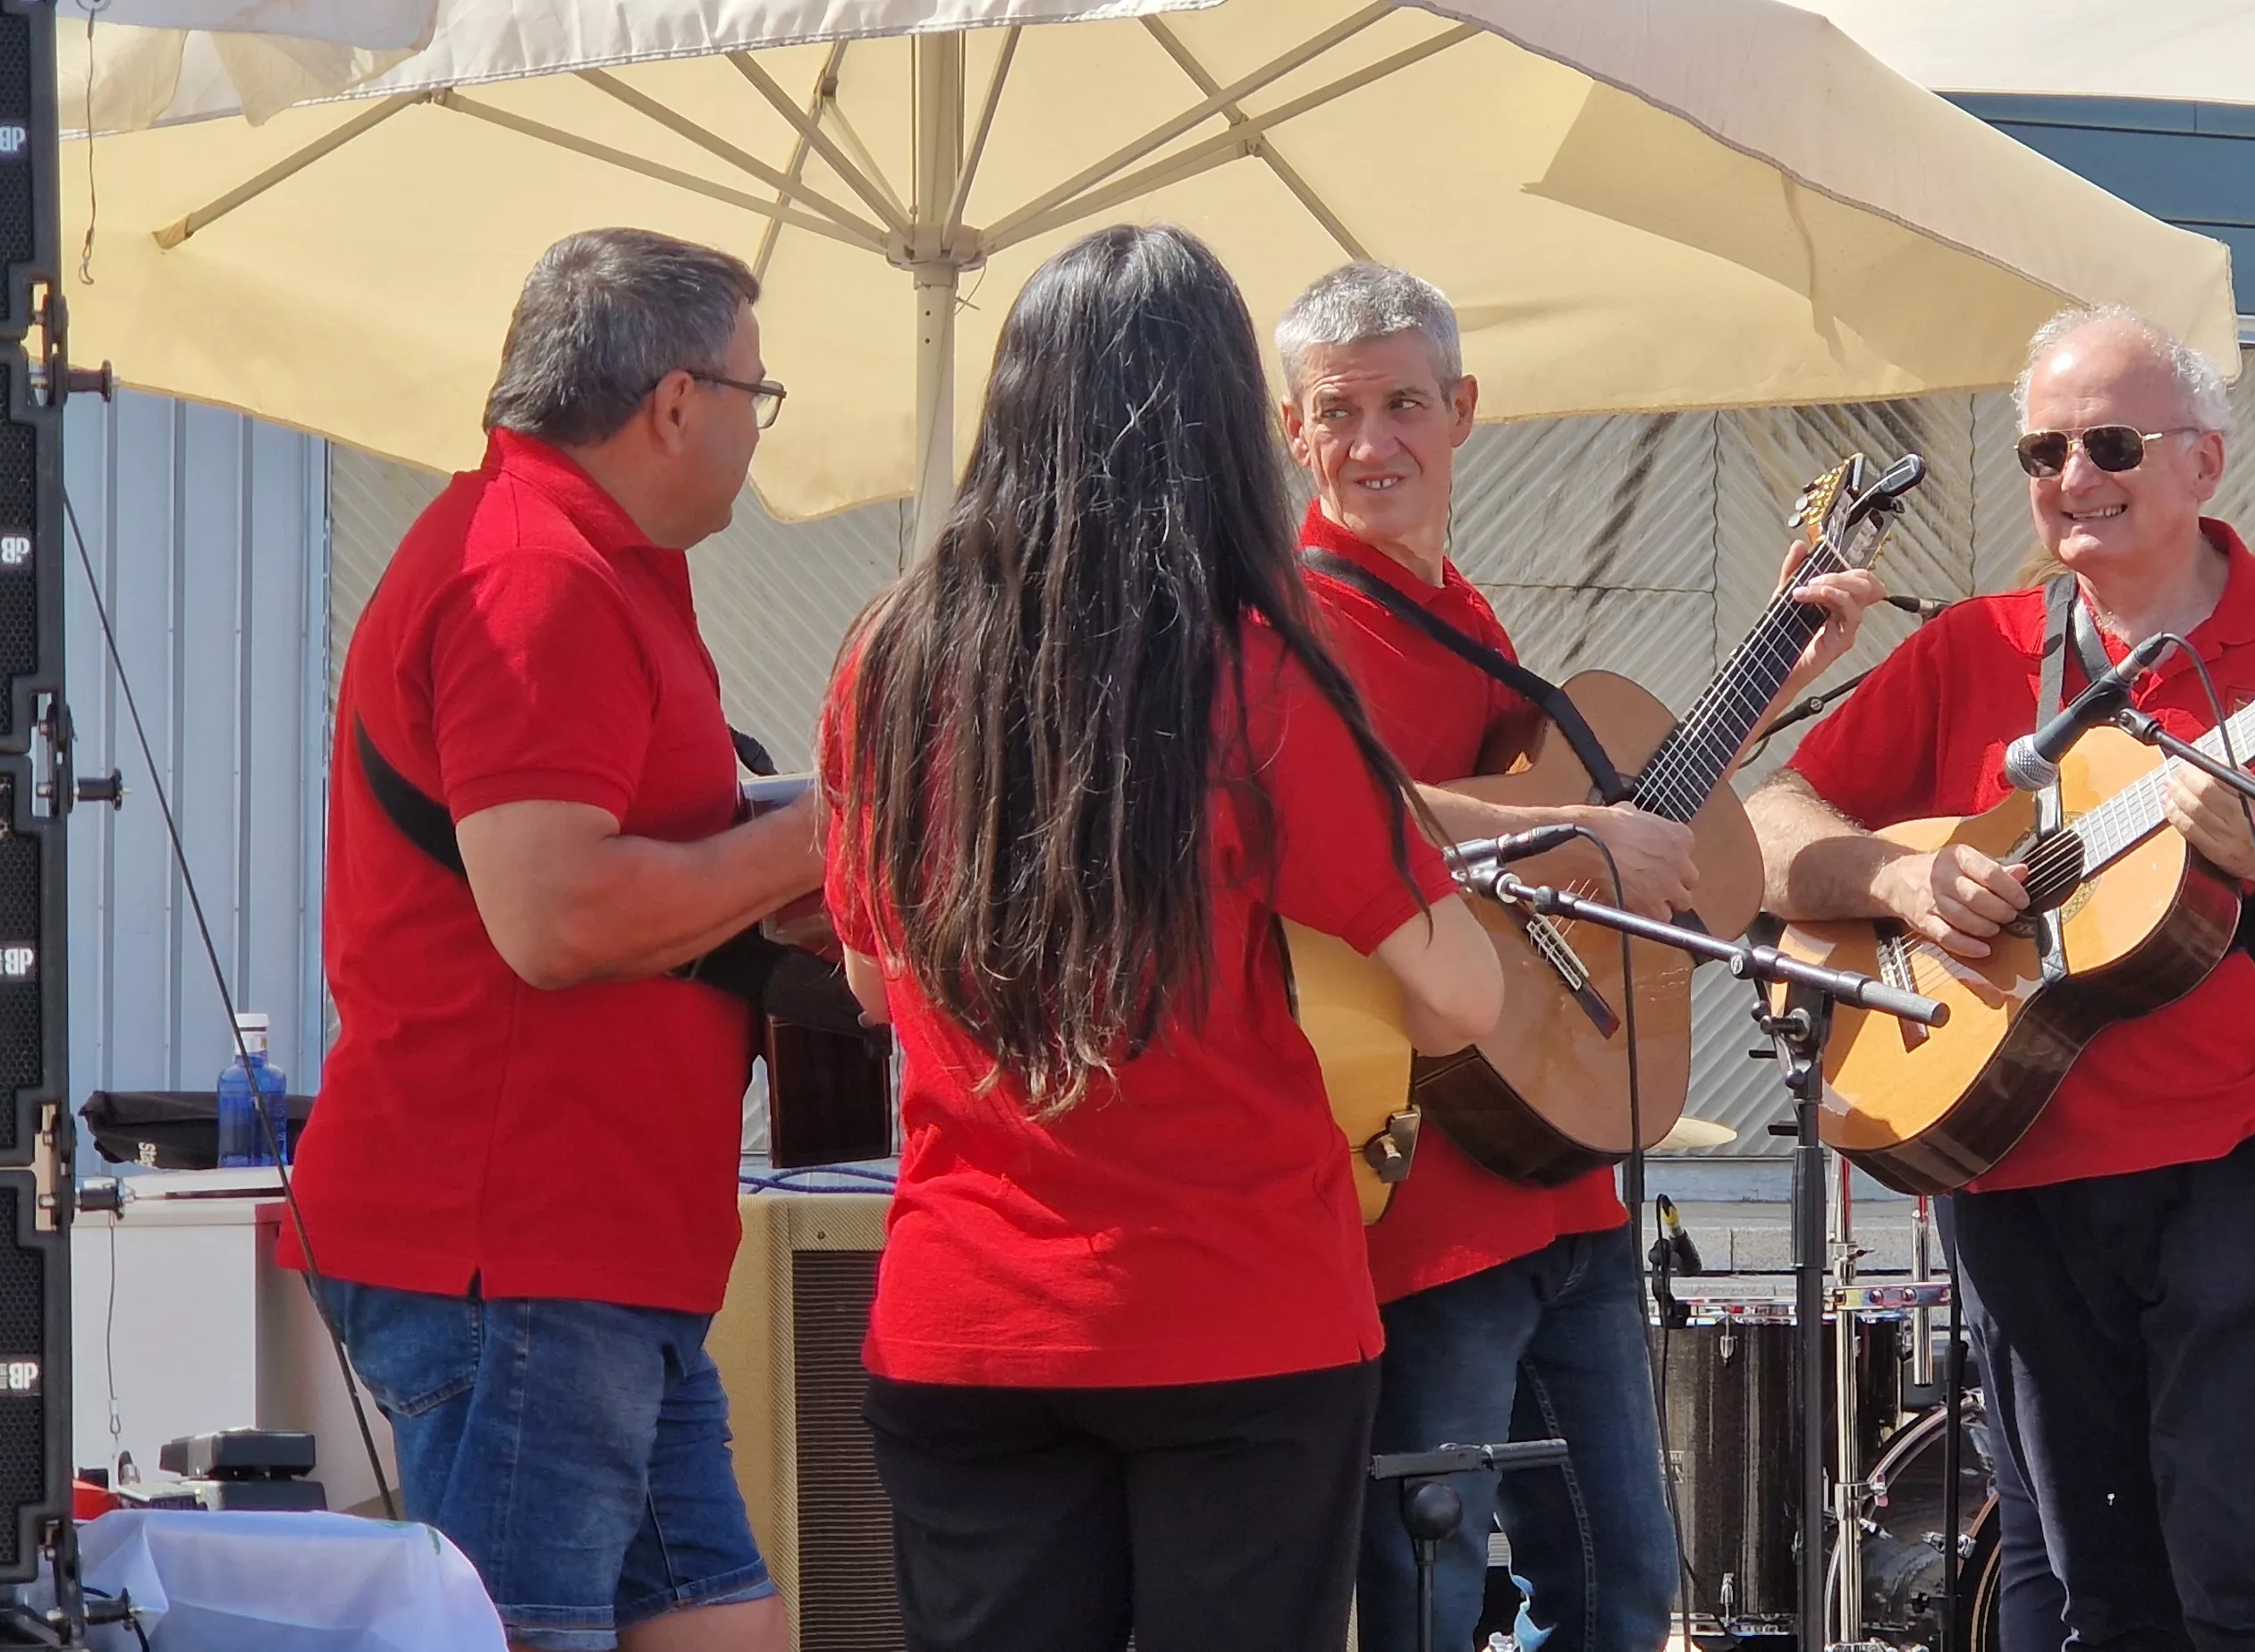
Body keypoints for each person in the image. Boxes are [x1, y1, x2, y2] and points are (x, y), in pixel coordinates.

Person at [821, 224, 1505, 1651]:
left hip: (966, 1320)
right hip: (1241, 1315)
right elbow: (1459, 1000)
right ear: (1223, 430)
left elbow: (875, 986)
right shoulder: (1260, 669)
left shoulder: (888, 659)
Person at [1746, 305, 2255, 1649]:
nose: (2072, 480)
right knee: (2090, 1586)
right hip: (2018, 1173)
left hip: (2249, 1158)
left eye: (2109, 443)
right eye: (2042, 452)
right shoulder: (1976, 647)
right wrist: (1889, 878)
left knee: (2253, 1565)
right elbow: (1768, 826)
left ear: (2204, 463)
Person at [1275, 260, 1884, 1652]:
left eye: (1406, 405)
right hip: (1425, 1186)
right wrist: (1581, 825)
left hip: (1565, 1177)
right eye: (1342, 412)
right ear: (1292, 431)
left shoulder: (1464, 611)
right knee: (1427, 1597)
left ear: (1464, 411)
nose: (1376, 443)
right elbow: (1341, 799)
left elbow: (1608, 839)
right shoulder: (1295, 621)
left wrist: (1776, 675)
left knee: (1623, 1586)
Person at [301, 227, 825, 1652]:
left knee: (726, 1631)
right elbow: (556, 916)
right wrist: (822, 834)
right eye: (753, 399)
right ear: (673, 402)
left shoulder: (576, 557)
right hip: (526, 1246)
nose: (754, 434)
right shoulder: (537, 573)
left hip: (587, 1251)